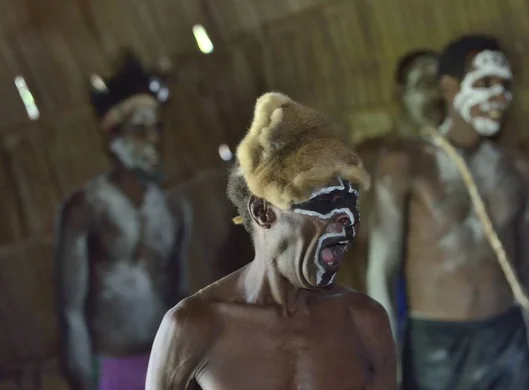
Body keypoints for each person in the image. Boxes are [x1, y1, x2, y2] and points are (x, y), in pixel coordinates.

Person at [145, 92, 396, 390]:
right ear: (264, 212)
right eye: (325, 203)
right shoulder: (193, 326)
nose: (347, 220)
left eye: (350, 205)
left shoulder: (364, 321)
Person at [366, 35, 529, 389]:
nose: (497, 96)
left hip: (507, 334)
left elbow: (524, 267)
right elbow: (382, 271)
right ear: (450, 88)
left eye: (504, 85)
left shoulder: (518, 172)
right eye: (483, 84)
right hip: (438, 343)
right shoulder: (406, 164)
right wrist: (386, 359)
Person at [55, 51, 192, 390]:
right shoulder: (86, 208)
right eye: (140, 130)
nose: (153, 140)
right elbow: (70, 309)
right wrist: (85, 379)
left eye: (156, 129)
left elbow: (179, 294)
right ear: (114, 137)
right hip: (111, 368)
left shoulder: (173, 209)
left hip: (164, 363)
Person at [337, 49, 444, 296]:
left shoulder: (453, 157)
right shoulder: (372, 160)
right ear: (400, 95)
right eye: (424, 85)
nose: (435, 95)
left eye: (441, 85)